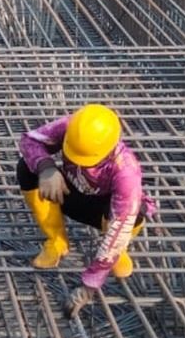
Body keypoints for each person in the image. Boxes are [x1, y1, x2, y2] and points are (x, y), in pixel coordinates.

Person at [16, 103, 155, 318]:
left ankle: (116, 255)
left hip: (103, 211)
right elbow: (30, 140)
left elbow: (120, 227)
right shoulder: (72, 127)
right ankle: (57, 241)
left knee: (133, 215)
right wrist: (47, 168)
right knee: (26, 168)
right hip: (70, 191)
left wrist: (88, 286)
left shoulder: (126, 171)